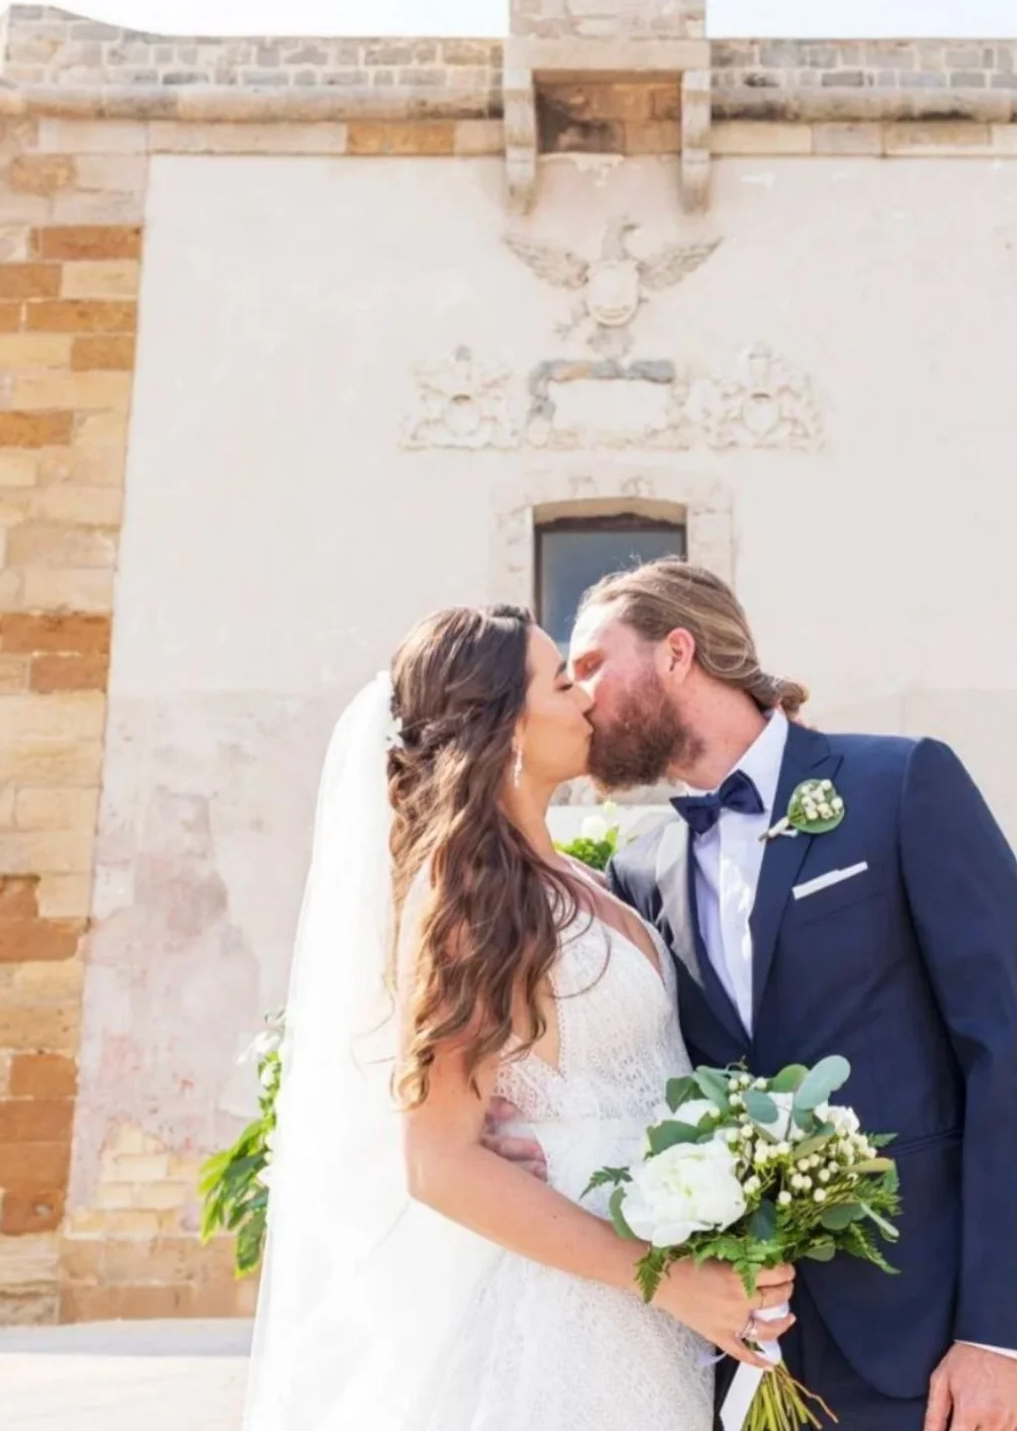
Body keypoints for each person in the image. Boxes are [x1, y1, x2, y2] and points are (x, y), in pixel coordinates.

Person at [491, 558, 1017, 1431]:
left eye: (595, 664)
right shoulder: (642, 869)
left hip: (922, 1335)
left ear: (678, 652)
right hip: (731, 1346)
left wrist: (1001, 1335)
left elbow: (1014, 1057)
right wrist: (506, 1118)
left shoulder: (902, 787)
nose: (579, 693)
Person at [243, 603, 794, 1431]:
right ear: (505, 726)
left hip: (643, 1312)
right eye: (564, 681)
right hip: (563, 1319)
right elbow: (440, 1163)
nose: (585, 701)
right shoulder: (468, 901)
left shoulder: (580, 876)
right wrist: (666, 1279)